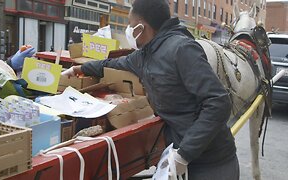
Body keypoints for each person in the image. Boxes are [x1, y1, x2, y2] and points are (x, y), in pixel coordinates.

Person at [61, 0, 239, 179]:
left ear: (141, 28)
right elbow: (112, 64)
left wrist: (185, 154)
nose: (128, 30)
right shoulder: (145, 55)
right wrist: (79, 69)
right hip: (181, 153)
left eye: (130, 25)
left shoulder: (182, 49)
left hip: (212, 161)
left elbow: (218, 102)